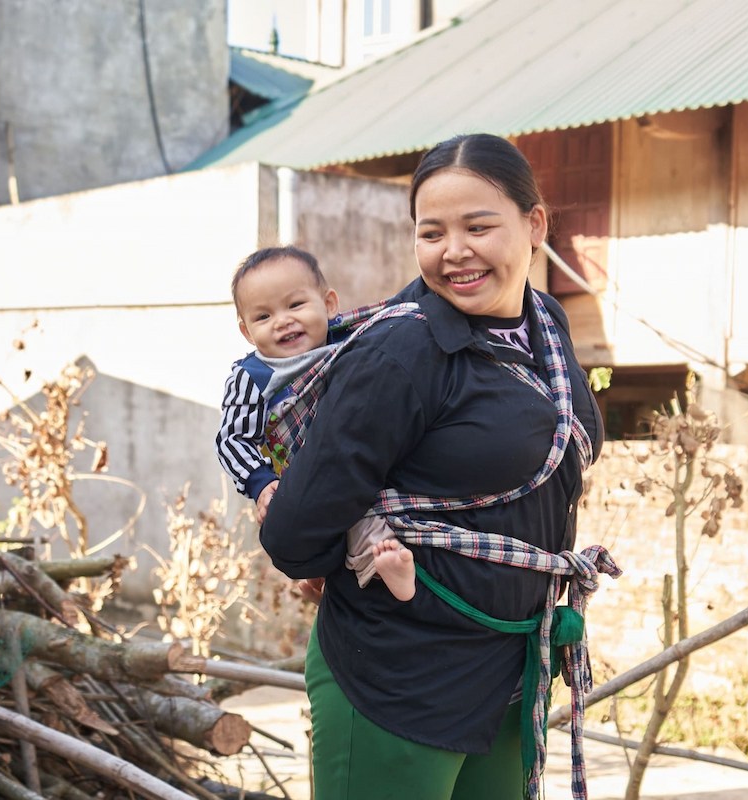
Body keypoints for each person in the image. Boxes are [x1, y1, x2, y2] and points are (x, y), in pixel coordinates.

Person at [259, 133, 608, 800]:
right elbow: (294, 534)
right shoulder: (404, 349)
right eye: (432, 232)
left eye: (479, 226)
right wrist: (351, 551)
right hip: (398, 678)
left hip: (508, 673)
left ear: (534, 224)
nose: (455, 252)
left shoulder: (545, 326)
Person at [214, 245, 419, 602]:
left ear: (328, 304)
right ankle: (383, 567)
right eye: (263, 317)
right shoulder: (254, 375)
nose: (282, 320)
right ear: (247, 332)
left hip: (357, 453)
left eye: (295, 305)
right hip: (302, 471)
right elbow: (232, 439)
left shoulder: (352, 343)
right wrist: (261, 484)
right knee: (354, 520)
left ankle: (323, 581)